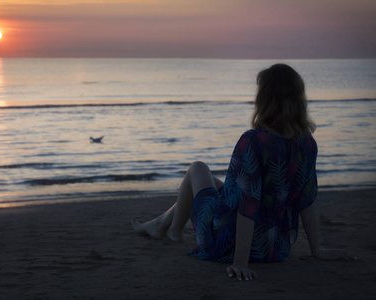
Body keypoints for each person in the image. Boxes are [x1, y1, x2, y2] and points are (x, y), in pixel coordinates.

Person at [131, 64, 356, 281]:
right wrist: (317, 249)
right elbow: (304, 200)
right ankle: (160, 224)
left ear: (264, 99)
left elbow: (247, 206)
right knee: (220, 184)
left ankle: (173, 231)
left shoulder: (253, 141)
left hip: (227, 244)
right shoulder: (307, 144)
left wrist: (240, 262)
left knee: (197, 168)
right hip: (275, 247)